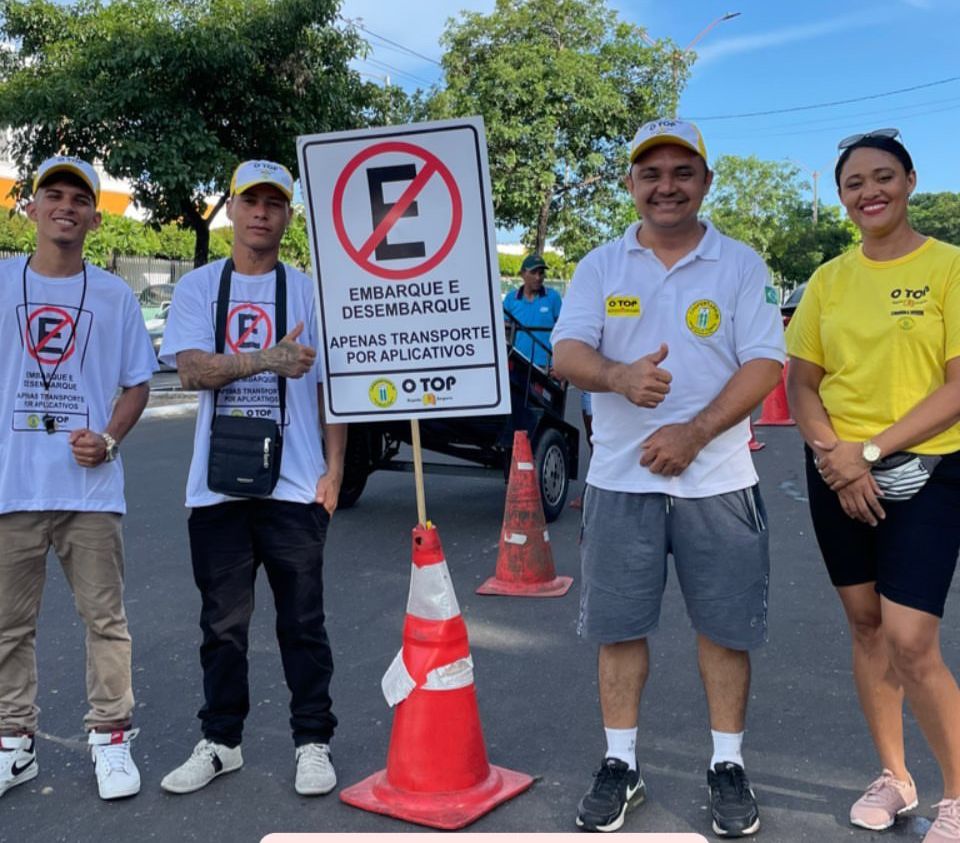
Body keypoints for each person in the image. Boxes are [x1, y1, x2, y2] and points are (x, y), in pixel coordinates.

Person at [552, 118, 784, 837]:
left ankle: (728, 765)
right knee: (619, 629)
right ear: (631, 183)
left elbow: (765, 363)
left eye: (683, 172)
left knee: (724, 631)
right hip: (622, 480)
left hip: (718, 481)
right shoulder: (601, 266)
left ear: (706, 182)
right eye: (650, 173)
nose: (667, 186)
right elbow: (566, 352)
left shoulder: (740, 264)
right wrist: (618, 376)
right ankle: (620, 763)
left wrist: (695, 432)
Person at [785, 129, 960, 843]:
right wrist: (835, 454)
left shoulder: (949, 267)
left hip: (926, 469)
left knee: (911, 638)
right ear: (841, 197)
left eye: (883, 176)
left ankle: (957, 794)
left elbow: (958, 387)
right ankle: (895, 777)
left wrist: (870, 451)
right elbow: (801, 382)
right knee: (866, 626)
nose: (869, 192)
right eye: (853, 183)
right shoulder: (828, 280)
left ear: (910, 181)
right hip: (837, 469)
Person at [158, 160, 346, 797]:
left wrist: (334, 471)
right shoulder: (199, 288)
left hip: (296, 486)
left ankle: (312, 741)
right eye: (251, 201)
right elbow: (190, 371)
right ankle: (221, 741)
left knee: (303, 623)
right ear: (232, 209)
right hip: (216, 488)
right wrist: (269, 359)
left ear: (289, 215)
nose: (261, 212)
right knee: (222, 626)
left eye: (274, 203)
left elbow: (331, 391)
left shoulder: (311, 292)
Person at [0, 156, 157, 800]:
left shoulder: (115, 296)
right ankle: (14, 744)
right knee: (8, 627)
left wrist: (110, 438)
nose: (66, 206)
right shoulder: (2, 282)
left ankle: (111, 738)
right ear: (31, 208)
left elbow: (138, 383)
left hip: (89, 493)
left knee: (105, 621)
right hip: (12, 488)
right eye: (53, 194)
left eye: (79, 198)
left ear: (95, 218)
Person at [503, 253, 562, 368]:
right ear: (523, 274)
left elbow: (563, 330)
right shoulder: (511, 299)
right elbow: (503, 330)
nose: (538, 277)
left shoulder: (553, 297)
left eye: (541, 273)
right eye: (533, 272)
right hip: (518, 363)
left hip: (546, 365)